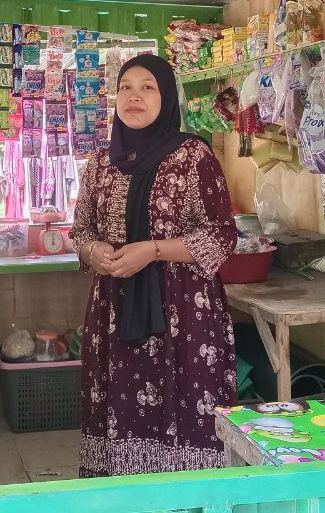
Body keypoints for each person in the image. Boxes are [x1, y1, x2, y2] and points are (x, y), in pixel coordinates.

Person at [71, 53, 237, 477]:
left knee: (183, 408)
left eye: (148, 87)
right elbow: (82, 232)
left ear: (166, 98)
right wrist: (94, 253)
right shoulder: (100, 164)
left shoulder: (194, 157)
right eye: (126, 87)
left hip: (182, 314)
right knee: (118, 408)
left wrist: (153, 250)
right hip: (115, 308)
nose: (135, 97)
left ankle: (191, 501)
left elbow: (221, 236)